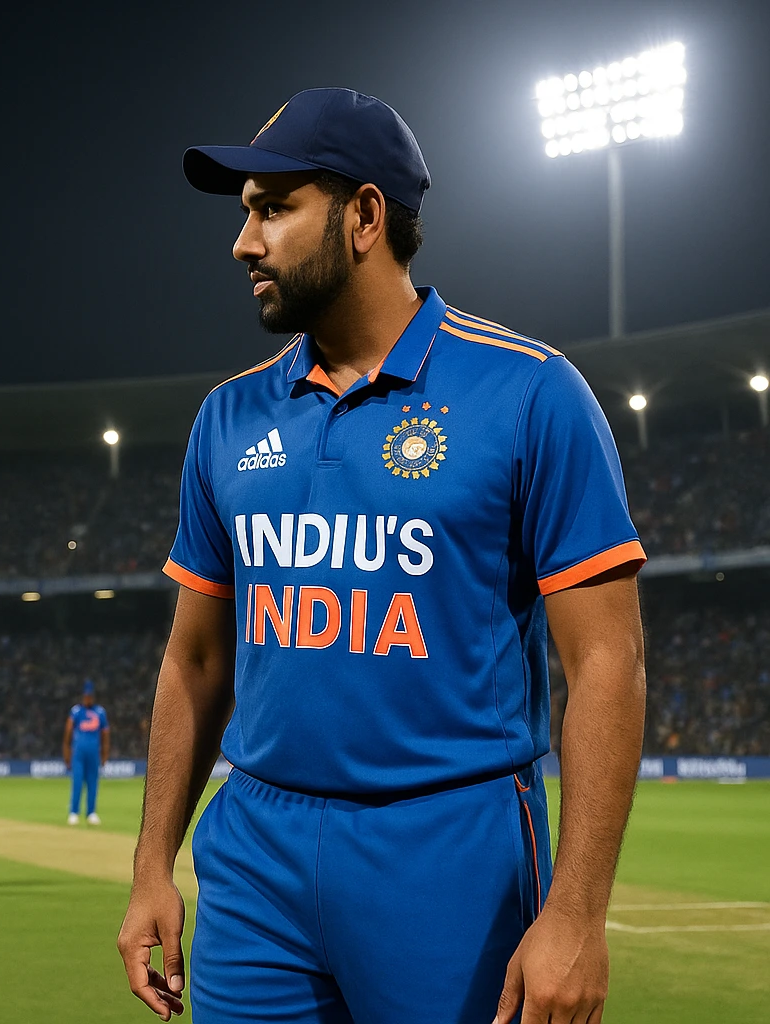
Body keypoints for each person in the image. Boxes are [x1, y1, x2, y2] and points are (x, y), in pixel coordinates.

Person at [117, 89, 648, 1024]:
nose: (244, 243)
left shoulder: (531, 393)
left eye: (273, 209)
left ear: (365, 216)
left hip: (448, 851)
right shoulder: (228, 416)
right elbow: (197, 659)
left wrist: (577, 911)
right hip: (254, 856)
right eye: (246, 213)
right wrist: (151, 864)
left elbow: (606, 660)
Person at [63, 679, 109, 825]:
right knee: (77, 782)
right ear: (83, 696)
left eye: (90, 696)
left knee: (92, 783)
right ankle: (73, 812)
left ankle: (91, 812)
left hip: (93, 753)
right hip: (78, 753)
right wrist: (66, 753)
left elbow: (105, 735)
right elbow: (68, 734)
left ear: (93, 697)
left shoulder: (100, 712)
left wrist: (104, 754)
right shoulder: (76, 711)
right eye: (86, 696)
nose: (88, 699)